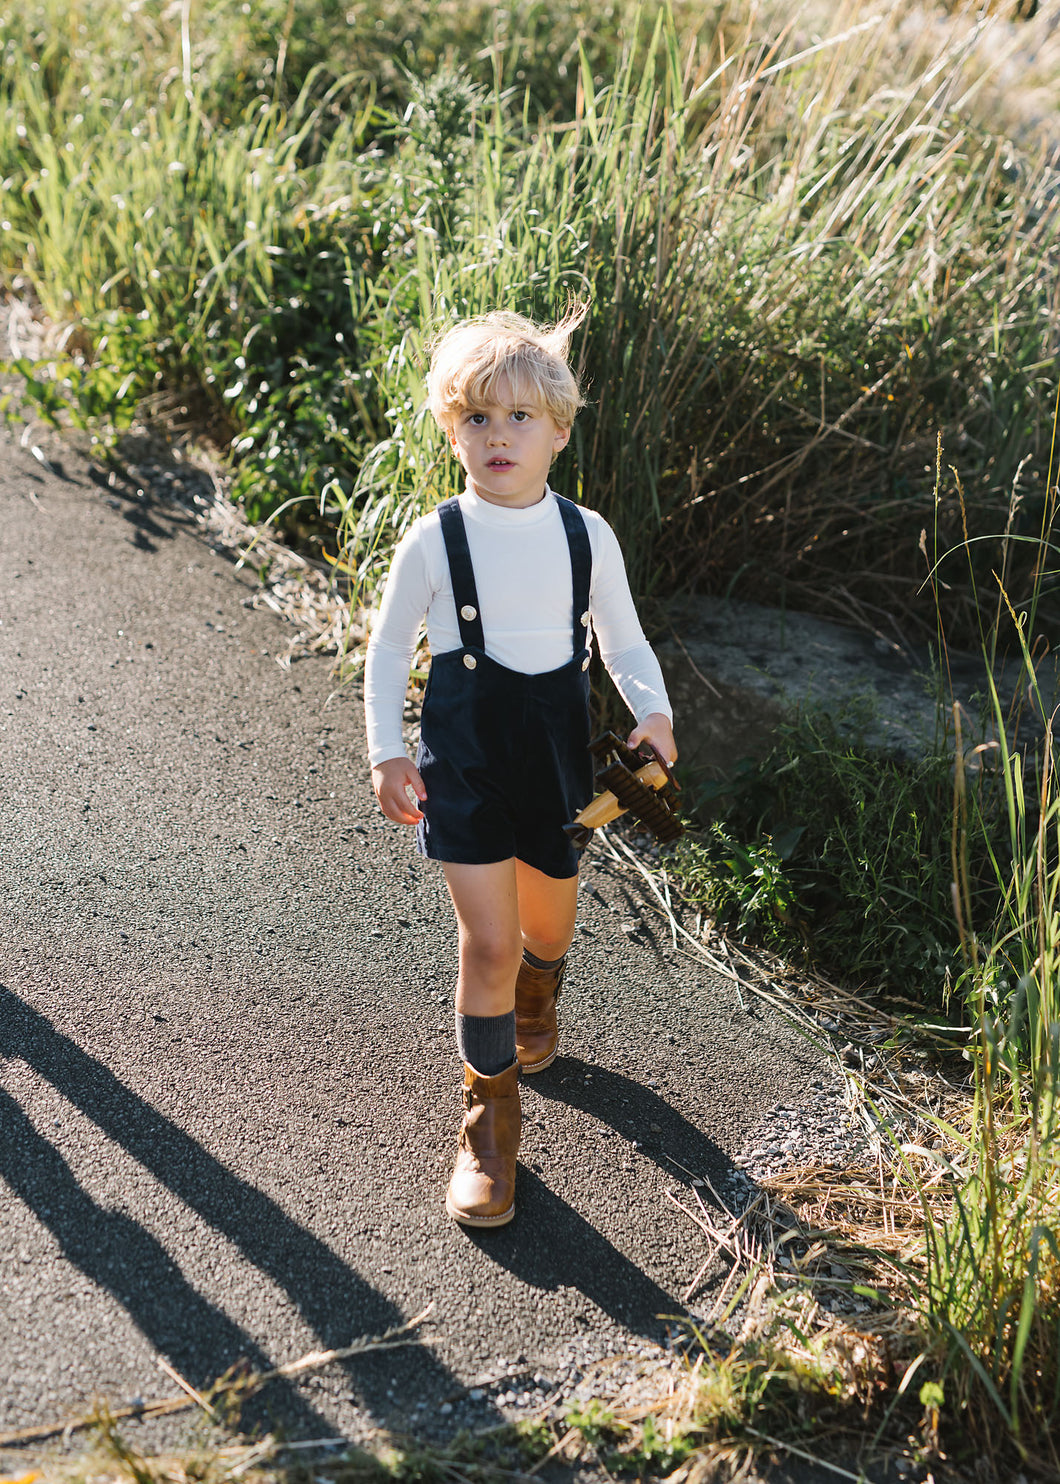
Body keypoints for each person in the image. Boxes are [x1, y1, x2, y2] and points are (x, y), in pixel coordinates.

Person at [363, 303, 676, 1228]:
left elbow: (622, 640)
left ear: (559, 430)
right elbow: (387, 654)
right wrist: (385, 750)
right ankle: (488, 1127)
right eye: (476, 418)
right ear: (450, 428)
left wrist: (651, 711)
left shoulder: (586, 537)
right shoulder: (435, 541)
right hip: (462, 768)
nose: (498, 436)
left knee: (548, 922)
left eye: (519, 418)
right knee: (488, 943)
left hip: (554, 770)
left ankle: (542, 989)